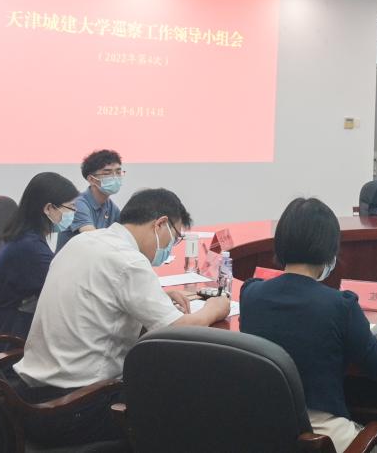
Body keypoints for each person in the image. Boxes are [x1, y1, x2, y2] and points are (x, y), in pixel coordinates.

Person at [13, 189, 230, 447]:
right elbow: (179, 329)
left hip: (30, 398)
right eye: (175, 238)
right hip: (76, 407)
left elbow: (102, 293)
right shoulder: (129, 261)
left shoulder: (82, 242)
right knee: (190, 402)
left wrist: (159, 295)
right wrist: (215, 308)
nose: (170, 247)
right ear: (160, 224)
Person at [240, 198, 377, 452]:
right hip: (320, 436)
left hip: (262, 429)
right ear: (329, 250)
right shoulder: (340, 305)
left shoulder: (250, 294)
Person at [0, 172, 78, 342]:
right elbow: (62, 295)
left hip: (10, 322)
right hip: (12, 336)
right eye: (71, 208)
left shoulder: (24, 235)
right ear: (49, 208)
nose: (74, 213)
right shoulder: (30, 248)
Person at [56, 149, 125, 251]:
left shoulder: (110, 206)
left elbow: (125, 234)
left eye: (118, 172)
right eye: (107, 173)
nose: (115, 177)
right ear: (91, 179)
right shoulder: (77, 204)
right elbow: (94, 239)